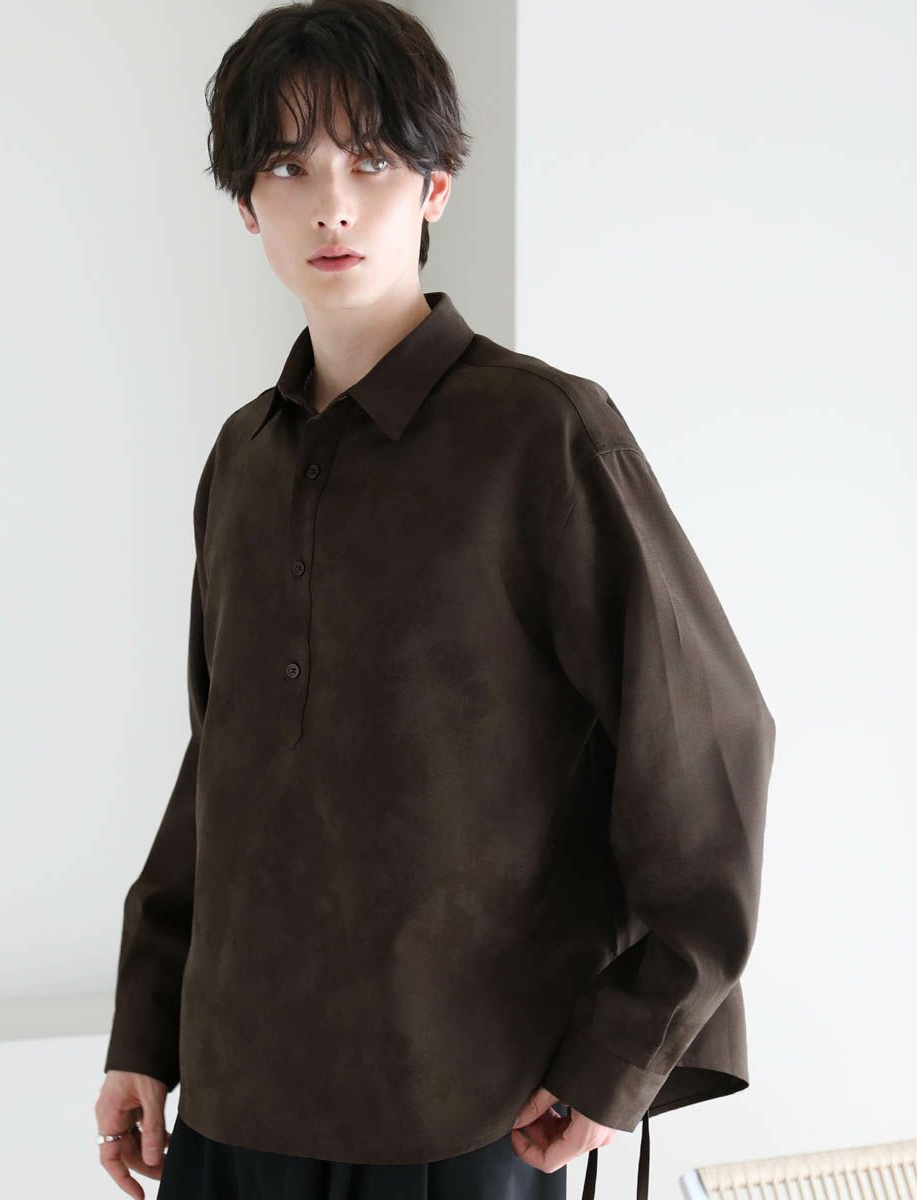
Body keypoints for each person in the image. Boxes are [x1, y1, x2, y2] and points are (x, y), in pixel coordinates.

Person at [94, 2, 776, 1199]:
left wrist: (620, 1053)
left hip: (464, 1104)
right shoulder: (241, 460)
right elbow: (223, 762)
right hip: (237, 1093)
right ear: (245, 204)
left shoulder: (541, 435)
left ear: (436, 187)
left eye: (370, 161)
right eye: (287, 167)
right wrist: (144, 1029)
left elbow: (703, 741)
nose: (332, 205)